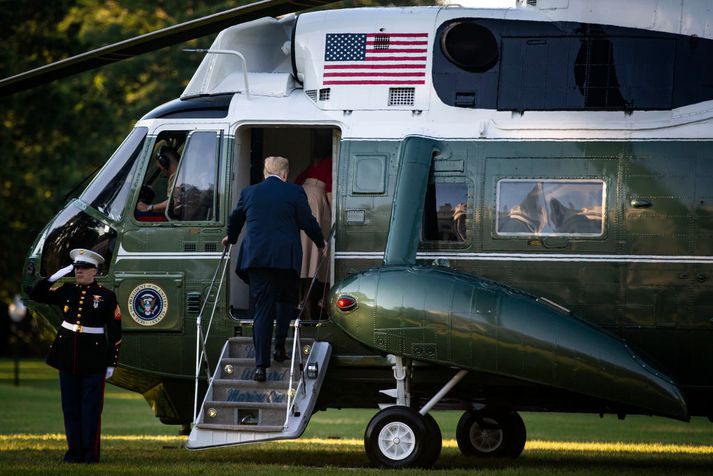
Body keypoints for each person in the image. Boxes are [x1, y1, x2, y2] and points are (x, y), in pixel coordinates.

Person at [222, 156, 326, 382]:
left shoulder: (249, 193)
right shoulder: (294, 192)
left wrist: (230, 237)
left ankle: (260, 366)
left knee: (263, 309)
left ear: (264, 172)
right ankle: (279, 349)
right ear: (285, 174)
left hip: (258, 260)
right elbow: (308, 222)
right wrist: (320, 243)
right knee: (286, 302)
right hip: (286, 261)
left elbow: (236, 218)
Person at [29, 249, 122, 463]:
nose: (79, 271)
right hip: (67, 354)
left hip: (94, 357)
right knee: (70, 406)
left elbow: (115, 331)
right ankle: (74, 452)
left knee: (90, 408)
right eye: (77, 267)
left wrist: (111, 362)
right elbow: (36, 294)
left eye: (84, 268)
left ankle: (90, 454)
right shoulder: (67, 290)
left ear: (95, 271)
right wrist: (58, 274)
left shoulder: (107, 296)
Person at [295, 155, 332, 319]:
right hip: (316, 198)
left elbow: (297, 181)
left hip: (304, 195)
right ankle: (310, 301)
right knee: (317, 247)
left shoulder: (313, 164)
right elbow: (330, 190)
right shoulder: (330, 162)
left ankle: (304, 300)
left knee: (305, 248)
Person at [135, 145, 180, 215]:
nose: (163, 173)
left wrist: (149, 207)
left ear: (164, 163)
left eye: (160, 168)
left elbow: (174, 202)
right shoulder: (183, 174)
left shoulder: (177, 177)